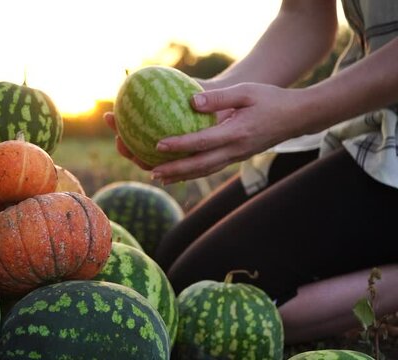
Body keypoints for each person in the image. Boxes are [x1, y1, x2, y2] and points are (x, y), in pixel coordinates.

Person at [104, 0, 398, 344]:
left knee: (207, 311)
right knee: (173, 270)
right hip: (369, 123)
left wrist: (299, 112)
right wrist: (214, 97)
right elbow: (303, 15)